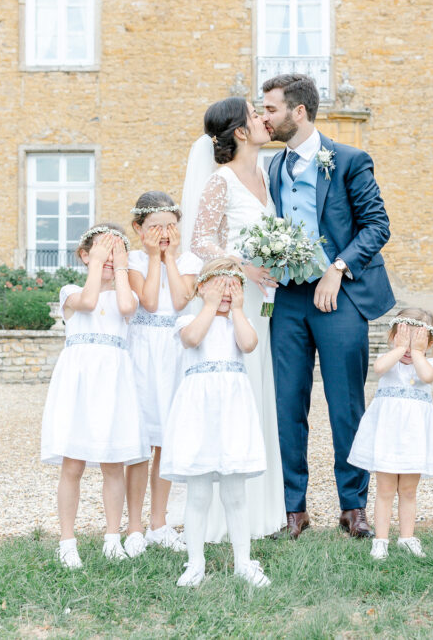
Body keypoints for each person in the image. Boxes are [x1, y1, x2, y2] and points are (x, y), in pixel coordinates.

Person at [261, 73, 395, 539]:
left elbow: (377, 226)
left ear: (298, 112)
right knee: (287, 404)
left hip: (339, 298)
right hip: (289, 300)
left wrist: (338, 267)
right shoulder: (272, 169)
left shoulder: (350, 160)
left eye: (271, 109)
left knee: (346, 405)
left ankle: (352, 507)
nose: (264, 116)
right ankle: (292, 508)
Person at [179, 97, 286, 541]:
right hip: (234, 299)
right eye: (255, 115)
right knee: (237, 392)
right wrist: (244, 268)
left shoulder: (262, 173)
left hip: (263, 301)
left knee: (259, 392)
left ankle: (258, 507)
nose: (264, 118)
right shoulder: (220, 180)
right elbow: (200, 239)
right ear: (240, 132)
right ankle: (221, 516)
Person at [40, 223, 148, 567]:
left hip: (113, 382)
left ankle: (112, 536)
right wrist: (99, 261)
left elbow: (128, 309)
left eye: (114, 254)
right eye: (99, 253)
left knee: (113, 463)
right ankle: (67, 540)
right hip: (80, 383)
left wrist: (120, 267)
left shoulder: (122, 296)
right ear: (85, 255)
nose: (107, 261)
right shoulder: (71, 290)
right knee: (73, 464)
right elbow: (87, 302)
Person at [160, 258, 271, 588]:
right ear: (201, 287)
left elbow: (249, 344)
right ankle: (195, 562)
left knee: (236, 493)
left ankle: (243, 562)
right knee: (198, 493)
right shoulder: (188, 318)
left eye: (233, 285)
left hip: (233, 412)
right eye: (219, 285)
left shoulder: (240, 320)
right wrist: (209, 305)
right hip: (200, 413)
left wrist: (237, 309)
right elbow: (192, 339)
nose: (226, 292)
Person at [125, 191, 202, 555]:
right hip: (142, 352)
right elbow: (151, 301)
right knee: (141, 441)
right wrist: (154, 257)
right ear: (140, 229)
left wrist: (169, 256)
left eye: (171, 225)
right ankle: (135, 526)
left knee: (165, 442)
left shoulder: (186, 259)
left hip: (173, 353)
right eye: (156, 227)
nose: (165, 232)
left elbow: (182, 298)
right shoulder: (133, 260)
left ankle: (159, 522)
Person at [348, 308, 433, 560]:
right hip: (387, 434)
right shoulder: (389, 359)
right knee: (384, 489)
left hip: (413, 437)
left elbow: (427, 376)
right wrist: (399, 348)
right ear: (393, 336)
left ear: (429, 343)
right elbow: (379, 367)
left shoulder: (427, 364)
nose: (408, 348)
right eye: (403, 338)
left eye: (417, 339)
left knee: (408, 490)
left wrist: (416, 351)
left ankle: (406, 537)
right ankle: (381, 540)